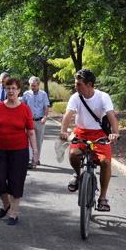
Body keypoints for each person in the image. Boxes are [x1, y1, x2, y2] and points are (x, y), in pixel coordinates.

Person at [59, 68, 120, 212]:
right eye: (76, 84)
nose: (76, 87)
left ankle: (103, 198)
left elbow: (111, 115)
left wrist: (115, 133)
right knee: (74, 154)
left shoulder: (103, 97)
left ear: (89, 84)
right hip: (81, 132)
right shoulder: (76, 97)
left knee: (105, 162)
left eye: (79, 84)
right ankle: (78, 175)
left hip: (99, 133)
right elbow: (68, 115)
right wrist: (63, 131)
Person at [0, 77, 37, 226]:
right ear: (5, 90)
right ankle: (6, 203)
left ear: (19, 91)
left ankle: (13, 213)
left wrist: (35, 153)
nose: (11, 91)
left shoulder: (25, 109)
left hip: (19, 151)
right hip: (0, 150)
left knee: (16, 181)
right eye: (8, 88)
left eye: (14, 88)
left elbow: (31, 132)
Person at [22, 76, 50, 168]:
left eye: (34, 85)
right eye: (31, 85)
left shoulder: (43, 94)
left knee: (39, 140)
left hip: (40, 121)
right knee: (29, 140)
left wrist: (45, 117)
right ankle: (30, 159)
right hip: (29, 121)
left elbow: (46, 106)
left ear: (38, 85)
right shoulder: (26, 94)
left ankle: (37, 158)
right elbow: (23, 107)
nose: (32, 87)